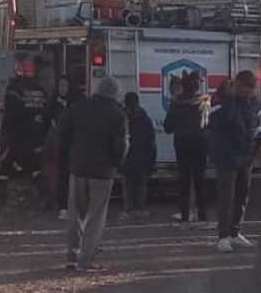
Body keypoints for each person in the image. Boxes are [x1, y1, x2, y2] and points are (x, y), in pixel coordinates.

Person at [57, 77, 128, 271]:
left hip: (78, 169)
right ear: (115, 93)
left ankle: (72, 256)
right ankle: (85, 261)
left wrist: (71, 157)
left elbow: (62, 133)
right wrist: (116, 165)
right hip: (102, 173)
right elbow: (121, 147)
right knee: (95, 217)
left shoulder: (78, 107)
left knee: (75, 215)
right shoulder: (117, 114)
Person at [210, 70, 261, 253]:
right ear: (237, 85)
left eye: (251, 91)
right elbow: (217, 122)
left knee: (242, 196)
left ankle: (235, 232)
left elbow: (258, 125)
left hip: (246, 156)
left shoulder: (253, 102)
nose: (248, 94)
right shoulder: (220, 99)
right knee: (226, 198)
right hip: (226, 156)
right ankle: (223, 236)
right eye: (245, 90)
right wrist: (230, 100)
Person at [0, 60, 50, 208]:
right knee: (35, 168)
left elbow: (10, 116)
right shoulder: (41, 90)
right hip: (37, 139)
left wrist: (2, 137)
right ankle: (46, 196)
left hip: (18, 139)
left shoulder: (14, 89)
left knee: (3, 167)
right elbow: (47, 115)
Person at [164, 72, 211, 228]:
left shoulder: (175, 104)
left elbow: (167, 127)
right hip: (201, 145)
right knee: (200, 180)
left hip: (182, 144)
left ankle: (185, 216)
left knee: (184, 181)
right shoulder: (204, 102)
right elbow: (208, 124)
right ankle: (202, 216)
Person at [45, 76, 84, 220]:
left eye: (64, 85)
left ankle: (74, 205)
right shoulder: (54, 101)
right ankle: (63, 206)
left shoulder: (76, 101)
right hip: (60, 144)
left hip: (73, 143)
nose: (62, 88)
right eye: (60, 85)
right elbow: (47, 116)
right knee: (62, 174)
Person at [121, 92, 156, 221]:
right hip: (142, 156)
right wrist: (152, 159)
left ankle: (128, 209)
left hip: (126, 156)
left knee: (128, 185)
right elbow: (151, 140)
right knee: (141, 185)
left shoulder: (122, 117)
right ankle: (140, 209)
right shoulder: (144, 118)